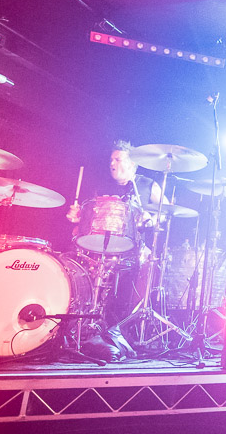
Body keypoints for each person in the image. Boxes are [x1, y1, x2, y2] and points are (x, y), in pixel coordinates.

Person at [66, 140, 163, 361]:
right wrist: (77, 216)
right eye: (111, 159)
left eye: (118, 159)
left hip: (135, 248)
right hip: (101, 248)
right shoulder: (101, 187)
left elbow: (167, 212)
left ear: (133, 164)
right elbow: (88, 220)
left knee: (144, 265)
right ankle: (87, 329)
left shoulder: (148, 185)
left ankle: (123, 329)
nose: (112, 163)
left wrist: (151, 217)